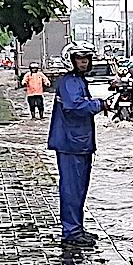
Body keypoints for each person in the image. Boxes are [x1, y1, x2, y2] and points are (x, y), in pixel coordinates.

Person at [48, 42, 107, 248]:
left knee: (80, 190)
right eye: (80, 59)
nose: (84, 62)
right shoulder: (69, 82)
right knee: (72, 190)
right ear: (71, 60)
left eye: (86, 59)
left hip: (79, 143)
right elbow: (74, 106)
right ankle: (71, 231)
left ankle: (77, 228)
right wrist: (99, 104)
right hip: (71, 144)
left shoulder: (78, 81)